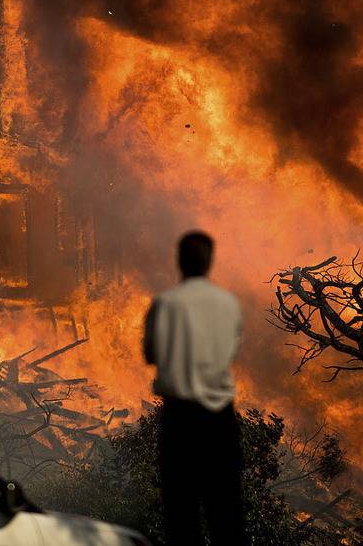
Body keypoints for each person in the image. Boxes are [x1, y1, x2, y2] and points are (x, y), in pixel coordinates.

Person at [143, 231, 244, 546]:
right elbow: (230, 351)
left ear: (179, 260)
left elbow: (150, 354)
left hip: (181, 419)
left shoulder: (165, 303)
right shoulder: (228, 303)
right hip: (220, 419)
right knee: (226, 512)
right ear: (210, 262)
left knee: (181, 513)